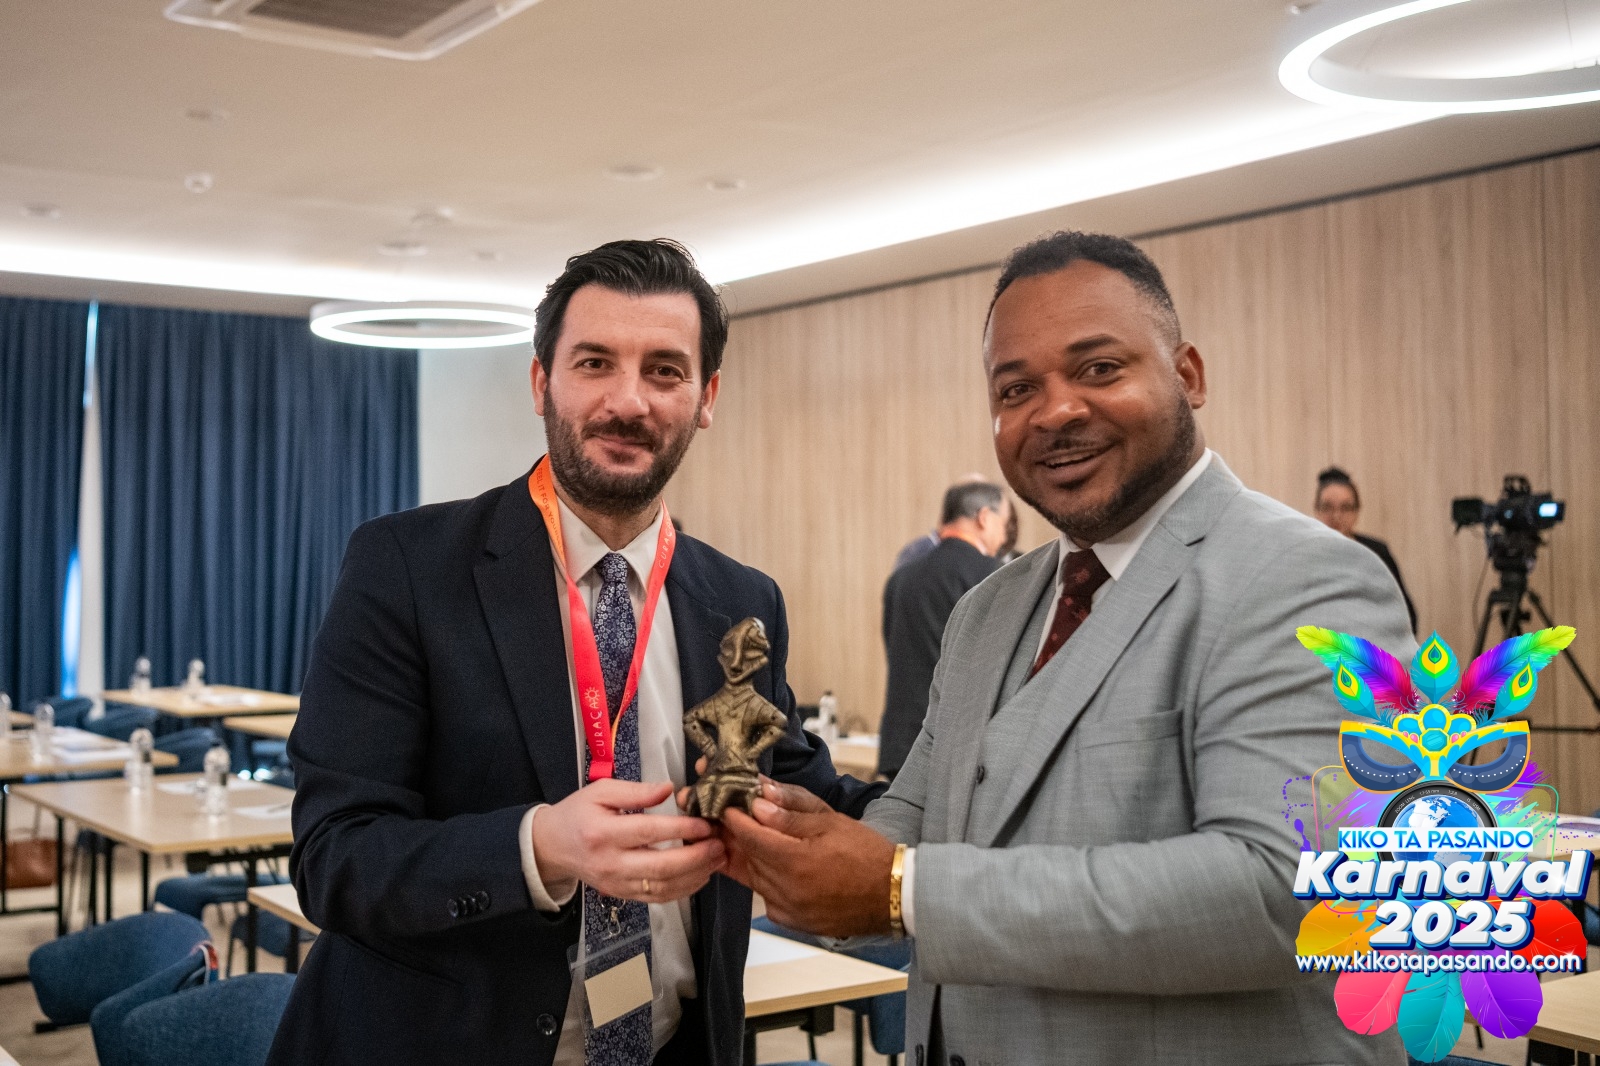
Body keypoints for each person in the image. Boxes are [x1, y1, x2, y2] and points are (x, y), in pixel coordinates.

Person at [715, 231, 1410, 1066]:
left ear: (1188, 375)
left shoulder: (1308, 580)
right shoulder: (987, 610)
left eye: (1099, 369)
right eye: (1017, 388)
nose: (1055, 411)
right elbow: (917, 822)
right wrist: (792, 838)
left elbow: (1288, 891)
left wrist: (904, 891)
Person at [268, 240, 882, 1066]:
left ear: (706, 397)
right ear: (541, 383)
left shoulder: (741, 600)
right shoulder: (407, 569)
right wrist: (541, 846)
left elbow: (804, 789)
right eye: (595, 363)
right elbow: (334, 857)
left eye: (664, 371)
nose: (628, 401)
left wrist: (957, 822)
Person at [877, 481, 1011, 779]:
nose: (1004, 536)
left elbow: (893, 649)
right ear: (984, 518)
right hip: (955, 748)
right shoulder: (992, 577)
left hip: (900, 744)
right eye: (1003, 523)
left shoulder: (902, 576)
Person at [1314, 465, 1417, 634]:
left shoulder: (1377, 552)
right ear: (1316, 511)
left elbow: (1405, 612)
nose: (1336, 516)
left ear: (1356, 512)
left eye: (1345, 508)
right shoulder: (1307, 554)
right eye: (1327, 507)